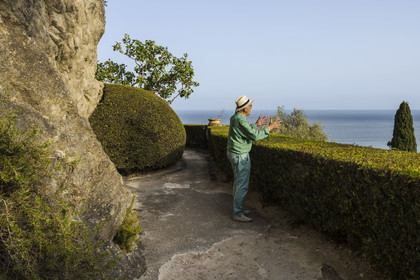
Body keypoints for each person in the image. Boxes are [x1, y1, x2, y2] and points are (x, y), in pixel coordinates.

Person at [227, 96, 281, 222]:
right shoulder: (240, 120)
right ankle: (237, 213)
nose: (251, 107)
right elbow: (253, 136)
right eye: (250, 105)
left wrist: (256, 125)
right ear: (244, 108)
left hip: (234, 153)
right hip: (240, 155)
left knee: (238, 183)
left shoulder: (236, 118)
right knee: (242, 185)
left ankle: (237, 209)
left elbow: (243, 131)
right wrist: (270, 128)